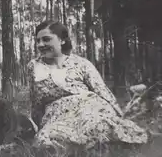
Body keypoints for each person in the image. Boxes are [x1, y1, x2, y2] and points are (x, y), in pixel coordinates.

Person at [27, 20, 149, 149]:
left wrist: (118, 115)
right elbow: (35, 100)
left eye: (46, 39)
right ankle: (94, 147)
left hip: (90, 107)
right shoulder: (34, 66)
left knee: (98, 125)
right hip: (58, 115)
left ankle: (115, 143)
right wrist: (38, 124)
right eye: (38, 41)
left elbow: (102, 90)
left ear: (62, 40)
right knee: (45, 140)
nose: (41, 45)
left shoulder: (80, 63)